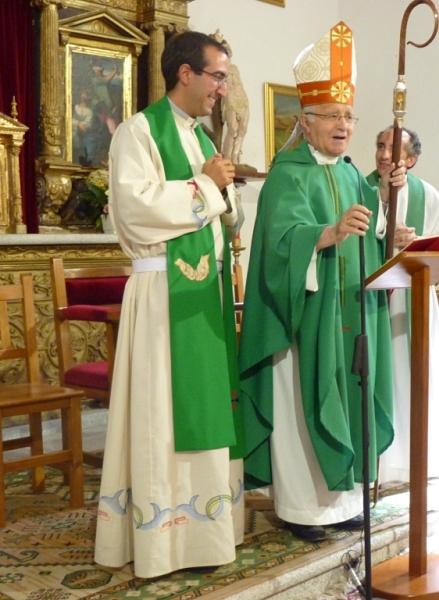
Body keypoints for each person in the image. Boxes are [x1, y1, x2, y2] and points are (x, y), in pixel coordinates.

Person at [238, 22, 405, 543]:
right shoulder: (287, 173)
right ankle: (304, 509)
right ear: (304, 122)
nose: (343, 124)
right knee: (301, 405)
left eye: (348, 115)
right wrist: (325, 235)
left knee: (350, 396)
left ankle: (347, 501)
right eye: (332, 115)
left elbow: (369, 243)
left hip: (349, 313)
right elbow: (277, 245)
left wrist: (388, 220)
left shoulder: (355, 174)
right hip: (304, 318)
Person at [94, 31, 245, 578]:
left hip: (202, 296)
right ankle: (163, 541)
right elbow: (134, 210)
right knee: (161, 414)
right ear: (186, 73)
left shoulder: (201, 139)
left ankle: (205, 534)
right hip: (162, 296)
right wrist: (205, 188)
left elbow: (221, 212)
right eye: (217, 76)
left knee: (202, 411)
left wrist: (224, 198)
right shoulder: (139, 132)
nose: (222, 89)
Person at [368, 126, 439, 484]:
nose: (383, 155)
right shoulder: (359, 187)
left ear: (411, 159)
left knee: (413, 374)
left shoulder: (428, 196)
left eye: (393, 149)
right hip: (371, 300)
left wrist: (416, 241)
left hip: (411, 302)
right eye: (379, 146)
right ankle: (378, 458)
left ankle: (416, 456)